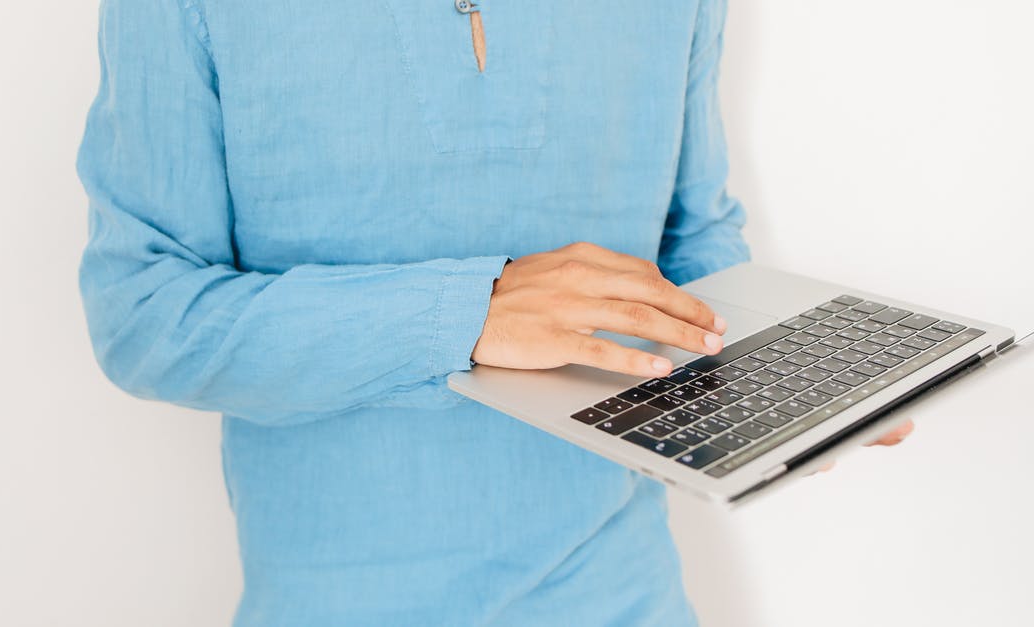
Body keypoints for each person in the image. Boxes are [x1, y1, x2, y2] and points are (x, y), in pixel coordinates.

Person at [76, 1, 912, 624]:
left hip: (628, 593)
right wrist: (465, 314)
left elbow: (691, 242)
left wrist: (784, 376)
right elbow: (145, 311)